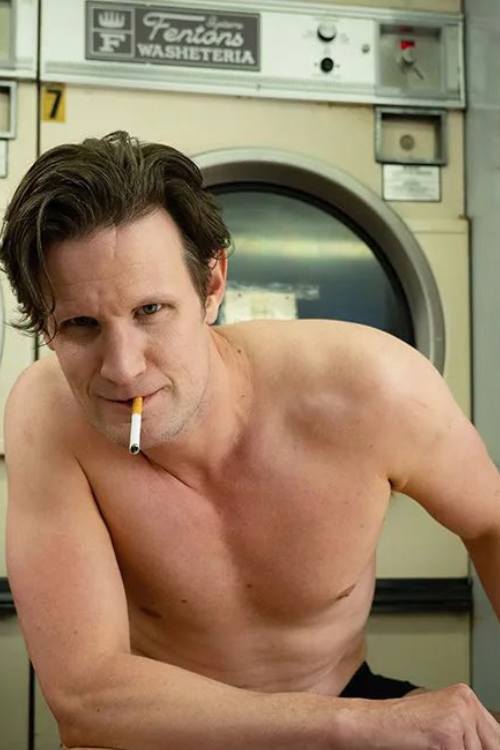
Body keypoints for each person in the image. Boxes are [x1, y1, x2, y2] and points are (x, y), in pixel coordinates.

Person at [1, 131, 499, 750]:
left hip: (339, 695)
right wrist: (356, 728)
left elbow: (491, 522)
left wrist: (359, 720)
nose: (123, 369)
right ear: (44, 326)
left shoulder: (372, 388)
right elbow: (87, 694)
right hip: (162, 733)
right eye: (81, 324)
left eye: (151, 310)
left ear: (212, 284)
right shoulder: (47, 416)